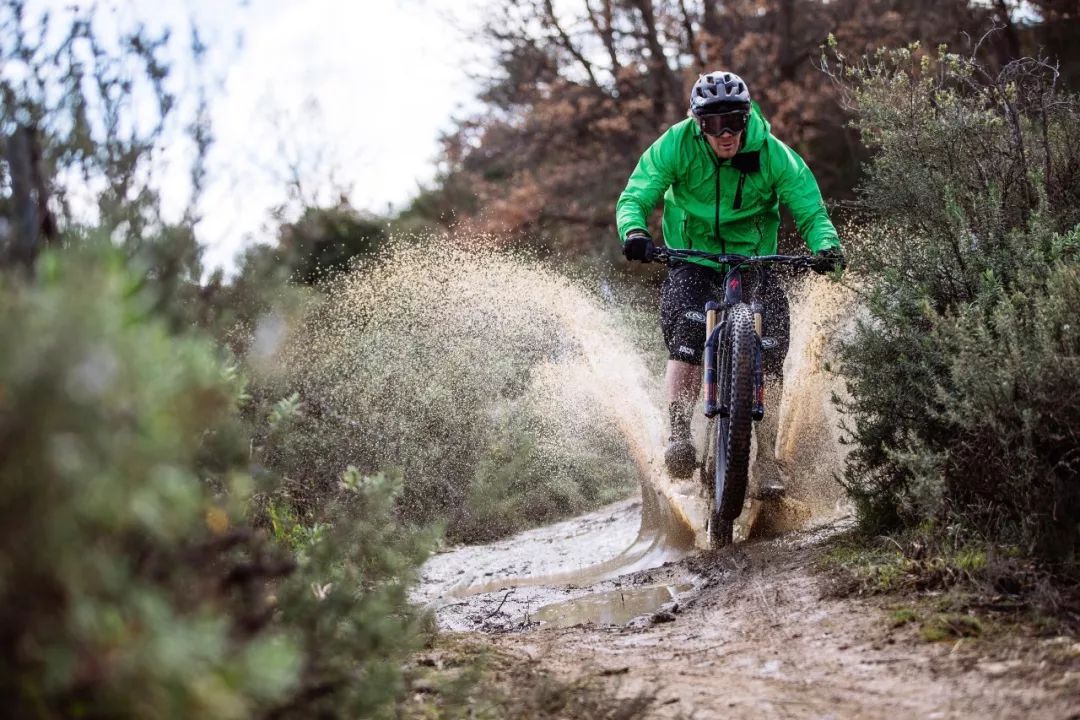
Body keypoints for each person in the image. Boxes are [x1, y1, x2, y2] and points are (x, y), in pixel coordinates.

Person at [615, 70, 844, 482]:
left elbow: (810, 209)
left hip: (754, 260)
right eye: (713, 123)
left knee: (771, 346)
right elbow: (637, 193)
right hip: (692, 258)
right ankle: (679, 433)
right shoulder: (676, 145)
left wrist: (825, 247)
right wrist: (634, 232)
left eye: (734, 121)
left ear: (747, 116)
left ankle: (767, 457)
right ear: (698, 123)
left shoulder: (772, 153)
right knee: (686, 336)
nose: (725, 133)